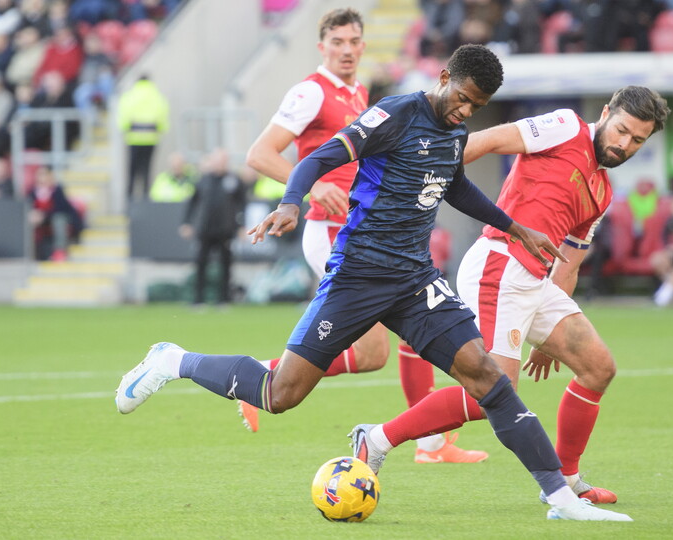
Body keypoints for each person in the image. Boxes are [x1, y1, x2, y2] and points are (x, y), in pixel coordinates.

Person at [115, 44, 631, 522]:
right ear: (444, 77)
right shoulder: (396, 113)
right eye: (463, 98)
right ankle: (174, 361)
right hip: (358, 275)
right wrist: (292, 201)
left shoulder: (454, 133)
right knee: (280, 394)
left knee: (488, 379)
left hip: (414, 279)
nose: (465, 112)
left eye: (476, 107)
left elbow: (456, 188)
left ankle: (561, 497)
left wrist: (514, 226)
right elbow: (319, 158)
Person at [350, 86, 669, 505]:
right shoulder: (565, 126)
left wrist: (547, 340)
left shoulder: (602, 192)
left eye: (637, 140)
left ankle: (568, 479)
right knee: (491, 394)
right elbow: (489, 140)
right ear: (606, 112)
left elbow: (568, 264)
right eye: (622, 131)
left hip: (536, 281)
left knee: (598, 367)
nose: (624, 144)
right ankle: (376, 439)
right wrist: (425, 172)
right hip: (499, 265)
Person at [240, 8, 484, 465]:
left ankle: (430, 444)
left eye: (354, 41)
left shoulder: (357, 93)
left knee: (390, 346)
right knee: (387, 343)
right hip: (335, 232)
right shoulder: (311, 93)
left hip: (370, 231)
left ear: (363, 45)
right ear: (322, 47)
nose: (347, 50)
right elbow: (259, 154)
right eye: (337, 42)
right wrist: (312, 187)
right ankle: (264, 378)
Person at [180, 148, 247, 306]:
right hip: (205, 228)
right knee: (201, 263)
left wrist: (241, 225)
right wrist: (187, 223)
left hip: (225, 229)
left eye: (223, 161)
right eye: (217, 161)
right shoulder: (203, 180)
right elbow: (192, 203)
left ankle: (223, 299)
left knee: (226, 265)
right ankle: (198, 299)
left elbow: (242, 204)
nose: (220, 164)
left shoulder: (233, 180)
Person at [118, 74, 169, 200]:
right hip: (151, 138)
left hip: (133, 138)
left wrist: (126, 128)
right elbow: (163, 117)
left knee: (132, 172)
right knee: (147, 171)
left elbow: (123, 117)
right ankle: (146, 200)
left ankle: (130, 200)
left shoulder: (130, 96)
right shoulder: (157, 96)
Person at [28, 165, 83, 261]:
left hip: (56, 218)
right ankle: (30, 252)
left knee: (59, 220)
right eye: (40, 175)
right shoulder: (32, 192)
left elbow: (60, 209)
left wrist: (44, 215)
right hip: (40, 221)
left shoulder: (57, 190)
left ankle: (60, 250)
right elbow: (28, 207)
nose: (42, 178)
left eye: (44, 174)